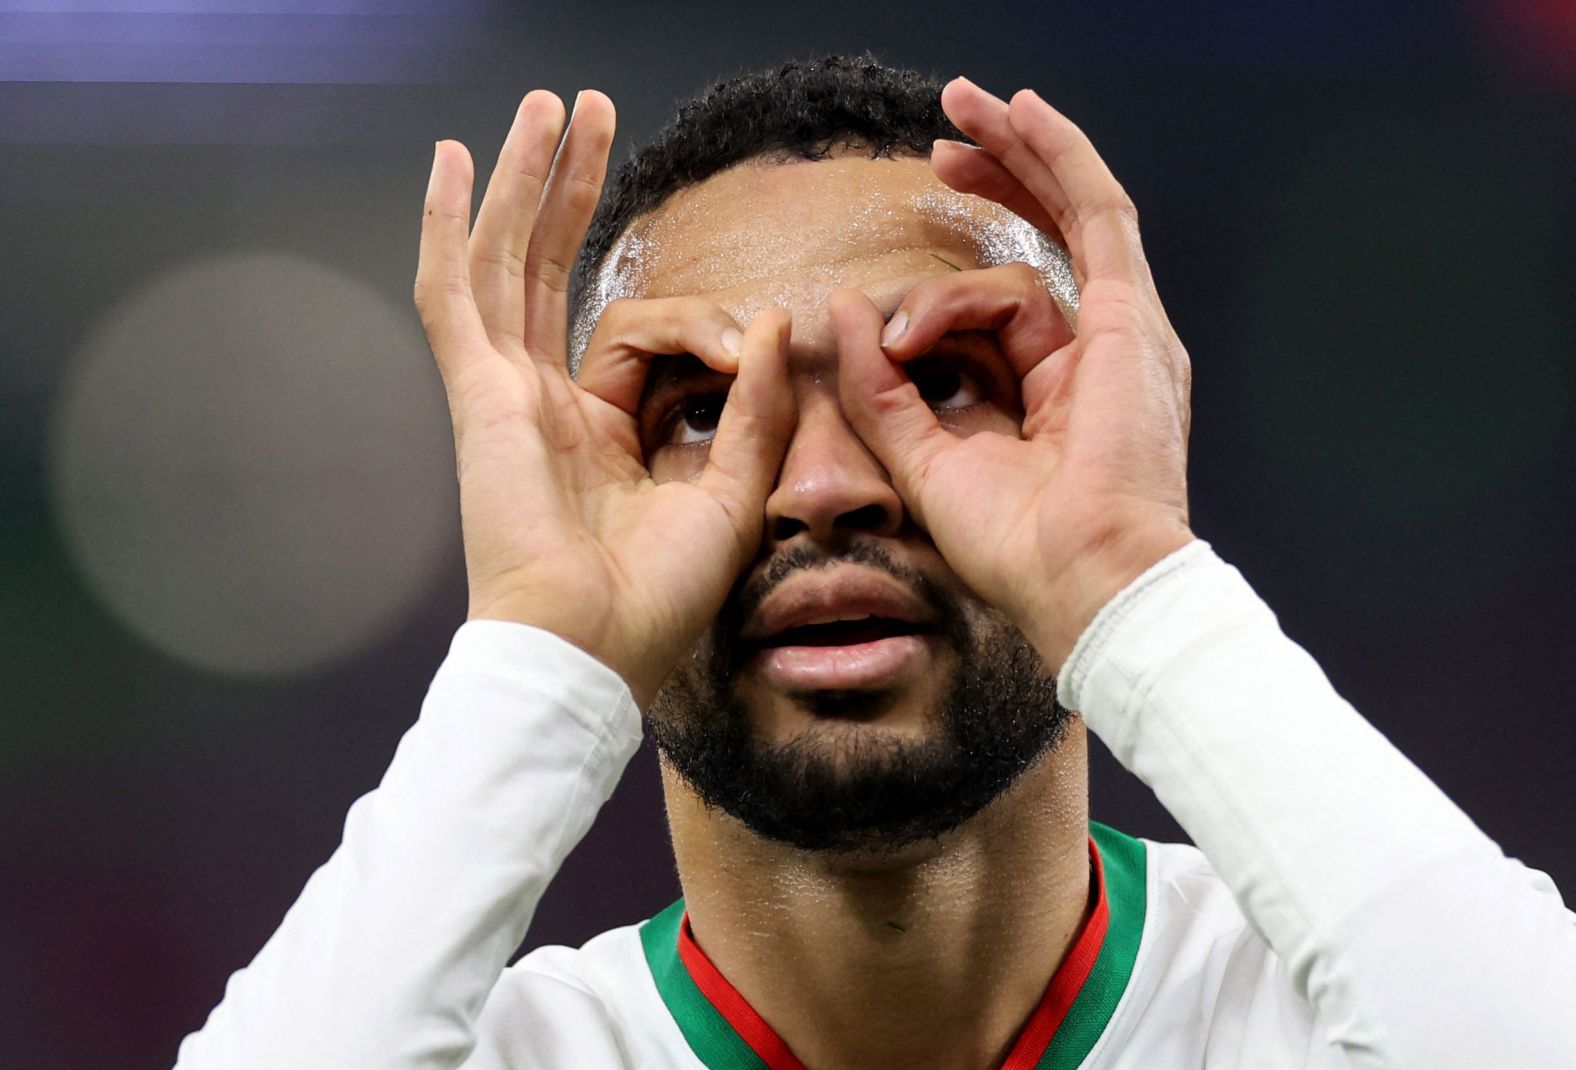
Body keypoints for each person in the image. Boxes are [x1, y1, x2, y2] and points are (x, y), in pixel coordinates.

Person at [173, 57, 1575, 1069]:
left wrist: (1132, 579)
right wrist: (542, 648)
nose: (827, 490)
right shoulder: (513, 1048)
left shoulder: (1330, 1010)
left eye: (948, 379)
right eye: (704, 409)